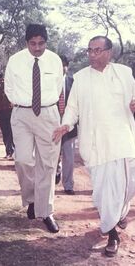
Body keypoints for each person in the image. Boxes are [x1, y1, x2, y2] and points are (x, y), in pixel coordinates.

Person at [53, 36, 135, 257]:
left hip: (122, 138)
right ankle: (112, 232)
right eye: (90, 50)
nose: (92, 55)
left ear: (109, 52)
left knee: (132, 180)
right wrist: (66, 124)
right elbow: (73, 106)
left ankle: (120, 212)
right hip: (96, 143)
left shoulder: (124, 73)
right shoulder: (81, 78)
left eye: (97, 50)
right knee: (104, 190)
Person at [5, 24, 62, 233]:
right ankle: (31, 199)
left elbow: (58, 87)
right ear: (26, 42)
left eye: (41, 43)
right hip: (21, 114)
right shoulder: (15, 60)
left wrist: (46, 105)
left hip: (48, 114)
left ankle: (45, 211)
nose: (37, 48)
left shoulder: (54, 60)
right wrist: (21, 104)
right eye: (33, 44)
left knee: (47, 164)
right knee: (22, 159)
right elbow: (8, 88)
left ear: (46, 42)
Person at [56, 55, 78, 195]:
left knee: (69, 157)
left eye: (64, 65)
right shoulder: (48, 83)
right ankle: (55, 174)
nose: (62, 67)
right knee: (52, 155)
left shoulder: (73, 82)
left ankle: (68, 185)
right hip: (53, 124)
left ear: (67, 67)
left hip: (69, 126)